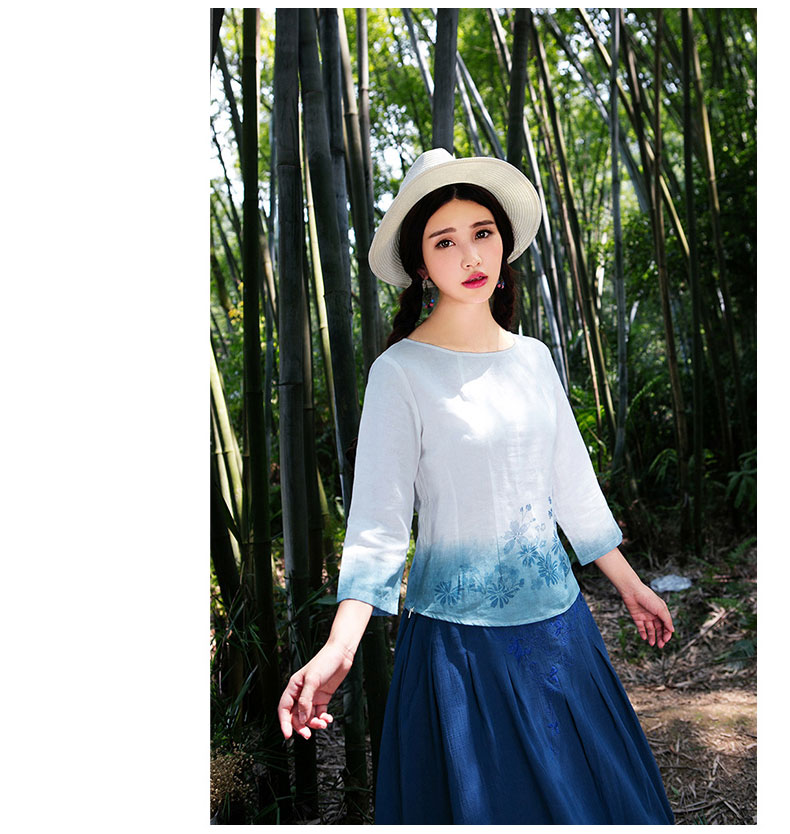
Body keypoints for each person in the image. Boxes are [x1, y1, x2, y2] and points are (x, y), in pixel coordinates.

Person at [277, 148, 675, 824]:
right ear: (420, 263)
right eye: (445, 241)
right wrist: (340, 647)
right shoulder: (400, 373)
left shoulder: (535, 359)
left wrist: (631, 586)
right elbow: (377, 527)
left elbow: (571, 488)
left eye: (482, 232)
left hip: (558, 633)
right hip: (458, 651)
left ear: (503, 241)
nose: (470, 255)